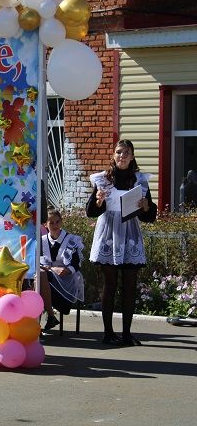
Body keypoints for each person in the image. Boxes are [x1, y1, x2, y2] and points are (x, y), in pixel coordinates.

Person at [87, 139, 156, 346]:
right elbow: (91, 211)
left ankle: (126, 333)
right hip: (108, 233)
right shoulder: (103, 180)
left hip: (130, 235)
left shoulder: (140, 181)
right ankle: (108, 333)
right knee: (109, 284)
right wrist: (98, 201)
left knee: (129, 285)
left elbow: (150, 216)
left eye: (126, 152)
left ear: (132, 156)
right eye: (119, 152)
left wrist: (145, 206)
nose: (122, 156)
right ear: (113, 155)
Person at [39, 209, 85, 331]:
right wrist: (51, 268)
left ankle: (46, 318)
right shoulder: (42, 240)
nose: (54, 225)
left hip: (67, 278)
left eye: (57, 222)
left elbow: (75, 264)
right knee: (39, 277)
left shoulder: (71, 240)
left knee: (40, 278)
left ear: (61, 222)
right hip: (48, 277)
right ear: (45, 225)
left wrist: (66, 270)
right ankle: (49, 316)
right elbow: (40, 262)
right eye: (51, 223)